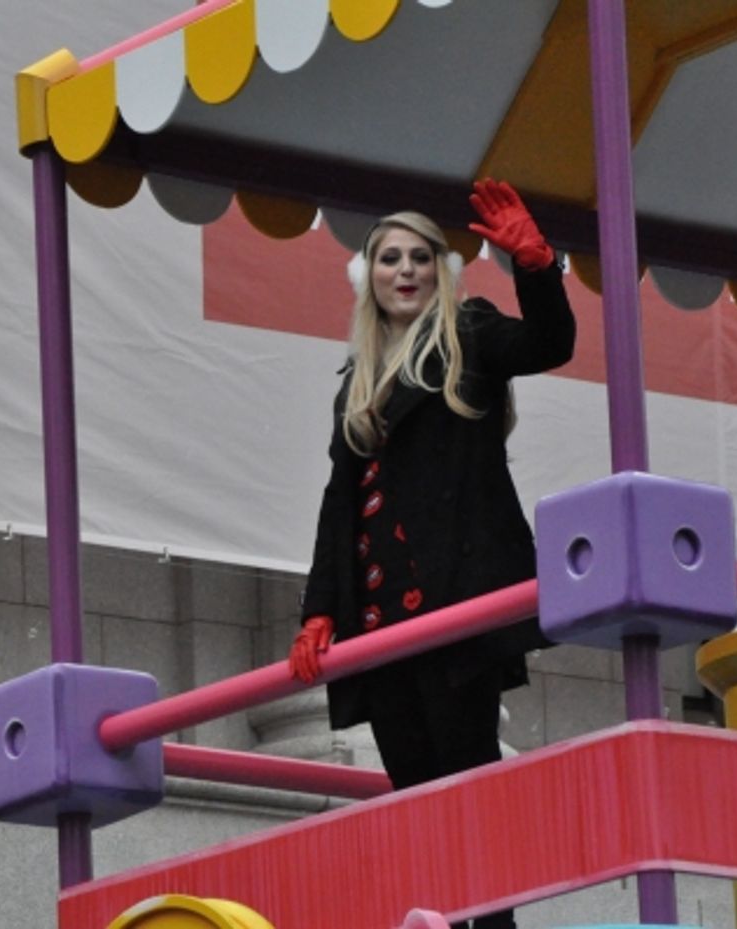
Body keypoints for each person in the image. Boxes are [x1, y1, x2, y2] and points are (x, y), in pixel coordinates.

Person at [287, 180, 575, 929]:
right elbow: (338, 502)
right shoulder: (357, 380)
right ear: (370, 277)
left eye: (420, 257)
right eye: (389, 258)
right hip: (382, 624)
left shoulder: (466, 335)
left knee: (466, 778)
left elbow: (550, 344)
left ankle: (490, 922)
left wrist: (536, 266)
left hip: (451, 609)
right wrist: (319, 609)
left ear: (439, 272)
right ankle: (442, 917)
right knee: (416, 793)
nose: (405, 269)